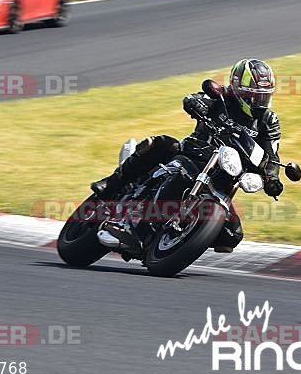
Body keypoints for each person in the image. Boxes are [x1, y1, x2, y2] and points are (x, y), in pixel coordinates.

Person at [90, 58, 283, 253]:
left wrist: (272, 177)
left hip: (223, 176)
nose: (259, 102)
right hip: (191, 154)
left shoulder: (268, 120)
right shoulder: (222, 97)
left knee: (231, 236)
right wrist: (195, 103)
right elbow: (195, 98)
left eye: (263, 97)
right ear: (238, 89)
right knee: (161, 144)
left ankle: (176, 238)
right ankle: (113, 184)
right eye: (254, 97)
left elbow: (272, 156)